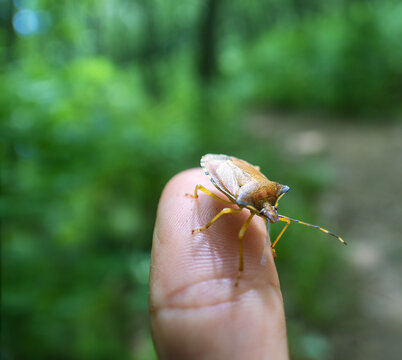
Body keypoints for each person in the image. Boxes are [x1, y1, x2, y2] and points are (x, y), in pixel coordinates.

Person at [149, 168, 289, 359]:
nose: (272, 216)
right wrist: (205, 227)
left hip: (250, 180)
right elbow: (226, 212)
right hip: (234, 178)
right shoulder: (242, 203)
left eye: (272, 211)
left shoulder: (270, 203)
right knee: (235, 226)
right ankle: (211, 232)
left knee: (287, 222)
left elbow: (281, 220)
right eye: (266, 213)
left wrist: (271, 245)